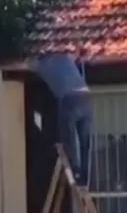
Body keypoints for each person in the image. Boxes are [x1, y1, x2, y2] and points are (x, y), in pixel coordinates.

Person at [31, 51, 93, 186]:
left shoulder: (42, 64)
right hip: (86, 96)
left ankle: (75, 169)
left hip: (69, 98)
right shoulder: (66, 58)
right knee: (85, 140)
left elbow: (25, 65)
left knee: (68, 135)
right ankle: (85, 175)